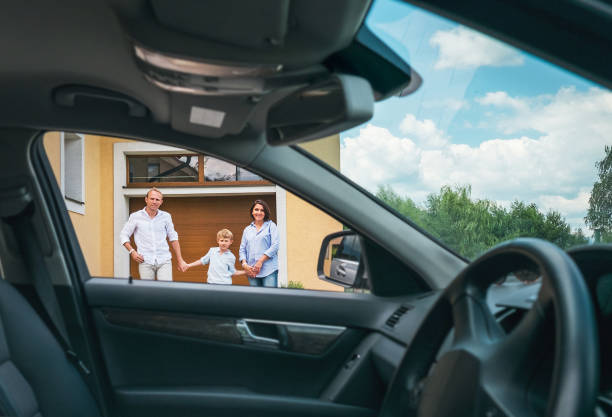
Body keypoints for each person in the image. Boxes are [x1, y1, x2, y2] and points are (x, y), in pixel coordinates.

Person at [119, 187, 188, 281]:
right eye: (152, 199)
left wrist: (180, 260)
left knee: (166, 290)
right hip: (145, 261)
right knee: (148, 292)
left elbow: (173, 238)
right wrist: (132, 252)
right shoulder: (136, 216)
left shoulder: (166, 216)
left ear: (161, 202)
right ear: (146, 199)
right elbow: (124, 235)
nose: (154, 202)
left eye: (157, 199)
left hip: (164, 260)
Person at [239, 199, 280, 287]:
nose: (259, 212)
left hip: (269, 270)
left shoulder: (271, 226)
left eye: (262, 210)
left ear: (265, 213)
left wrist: (260, 261)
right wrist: (244, 264)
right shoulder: (247, 229)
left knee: (269, 298)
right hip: (252, 271)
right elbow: (242, 249)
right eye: (256, 209)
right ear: (252, 212)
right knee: (255, 299)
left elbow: (275, 245)